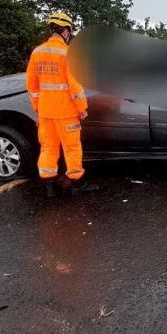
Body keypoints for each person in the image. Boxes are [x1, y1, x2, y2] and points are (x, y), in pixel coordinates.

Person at [26, 12, 95, 196]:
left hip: (45, 113)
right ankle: (75, 183)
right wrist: (82, 108)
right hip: (66, 113)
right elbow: (75, 85)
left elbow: (32, 85)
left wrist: (37, 109)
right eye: (69, 31)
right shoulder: (67, 54)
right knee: (72, 148)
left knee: (48, 148)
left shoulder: (37, 52)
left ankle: (49, 186)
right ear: (65, 30)